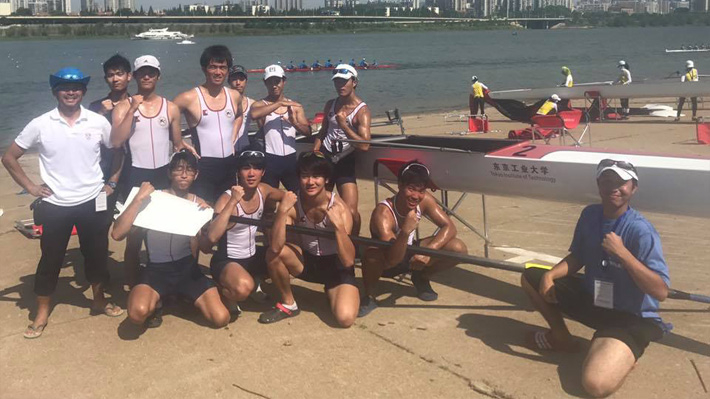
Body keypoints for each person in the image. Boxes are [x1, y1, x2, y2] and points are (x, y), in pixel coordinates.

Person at [520, 158, 671, 398]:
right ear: (598, 185)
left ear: (634, 188)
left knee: (594, 384)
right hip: (595, 299)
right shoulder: (590, 214)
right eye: (608, 181)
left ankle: (621, 357)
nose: (614, 187)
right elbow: (579, 256)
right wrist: (550, 275)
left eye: (622, 183)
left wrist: (623, 254)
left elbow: (661, 291)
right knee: (531, 277)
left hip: (629, 317)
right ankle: (561, 338)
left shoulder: (641, 231)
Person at [2, 67, 124, 339]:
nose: (71, 92)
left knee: (96, 254)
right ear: (55, 91)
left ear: (83, 91)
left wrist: (112, 182)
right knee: (51, 259)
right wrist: (32, 187)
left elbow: (118, 151)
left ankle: (99, 299)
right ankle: (42, 312)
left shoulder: (97, 121)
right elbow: (9, 157)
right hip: (55, 204)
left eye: (77, 87)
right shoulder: (40, 123)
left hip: (93, 199)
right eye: (65, 88)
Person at [112, 151, 230, 329]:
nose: (184, 174)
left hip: (186, 269)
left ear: (196, 175)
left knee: (220, 318)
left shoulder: (199, 204)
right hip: (157, 270)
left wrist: (205, 222)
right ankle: (159, 302)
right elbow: (117, 234)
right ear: (169, 173)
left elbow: (206, 247)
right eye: (178, 169)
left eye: (189, 170)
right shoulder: (153, 198)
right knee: (137, 314)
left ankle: (186, 295)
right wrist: (138, 199)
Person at [111, 55, 192, 288]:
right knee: (134, 237)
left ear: (158, 76)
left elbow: (177, 144)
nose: (146, 76)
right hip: (134, 176)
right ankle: (132, 284)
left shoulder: (171, 108)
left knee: (166, 231)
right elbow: (116, 142)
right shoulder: (123, 107)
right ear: (134, 76)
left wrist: (188, 151)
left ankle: (170, 280)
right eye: (142, 73)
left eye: (151, 72)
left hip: (163, 175)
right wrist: (133, 107)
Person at [258, 151, 359, 327]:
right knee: (274, 254)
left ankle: (335, 292)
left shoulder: (339, 208)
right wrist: (281, 211)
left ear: (327, 179)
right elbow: (274, 248)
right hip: (308, 262)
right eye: (305, 176)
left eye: (316, 176)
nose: (310, 182)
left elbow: (349, 260)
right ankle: (289, 303)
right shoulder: (292, 204)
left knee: (345, 319)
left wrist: (339, 228)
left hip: (336, 267)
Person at [359, 160, 468, 317]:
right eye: (411, 189)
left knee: (458, 248)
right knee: (371, 254)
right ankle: (369, 295)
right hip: (387, 260)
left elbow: (450, 227)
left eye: (421, 190)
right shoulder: (383, 213)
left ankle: (421, 276)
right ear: (400, 185)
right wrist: (405, 231)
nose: (416, 196)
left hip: (410, 252)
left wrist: (428, 252)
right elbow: (392, 259)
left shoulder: (424, 200)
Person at [201, 150, 285, 311]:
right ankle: (222, 290)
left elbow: (288, 197)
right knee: (242, 289)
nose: (252, 173)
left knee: (286, 260)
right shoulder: (226, 198)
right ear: (238, 172)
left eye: (257, 168)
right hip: (227, 260)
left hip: (252, 256)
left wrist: (280, 213)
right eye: (246, 168)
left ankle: (254, 280)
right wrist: (233, 201)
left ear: (263, 172)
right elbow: (211, 238)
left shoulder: (264, 190)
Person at [173, 45, 244, 204]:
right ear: (204, 69)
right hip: (203, 166)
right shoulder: (189, 97)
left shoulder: (234, 96)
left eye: (223, 68)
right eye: (213, 67)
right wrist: (179, 142)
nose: (218, 72)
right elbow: (164, 118)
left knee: (227, 213)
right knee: (203, 215)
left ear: (227, 71)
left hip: (229, 165)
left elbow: (239, 115)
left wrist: (233, 137)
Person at [313, 64, 371, 236]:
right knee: (322, 207)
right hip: (326, 159)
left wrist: (344, 126)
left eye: (344, 82)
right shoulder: (331, 104)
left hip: (345, 162)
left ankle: (354, 242)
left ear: (354, 82)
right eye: (337, 82)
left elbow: (365, 145)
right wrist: (315, 152)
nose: (340, 86)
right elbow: (323, 131)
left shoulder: (363, 111)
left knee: (351, 212)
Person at [249, 64, 311, 192]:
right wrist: (279, 103)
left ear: (284, 81)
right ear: (265, 83)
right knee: (270, 201)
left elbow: (308, 132)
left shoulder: (295, 106)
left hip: (291, 160)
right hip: (270, 160)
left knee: (298, 195)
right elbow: (254, 114)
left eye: (277, 81)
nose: (274, 85)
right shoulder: (260, 105)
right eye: (270, 82)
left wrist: (295, 123)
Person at [88, 54, 130, 200]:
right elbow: (86, 136)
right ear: (106, 79)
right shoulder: (95, 106)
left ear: (129, 76)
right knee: (103, 211)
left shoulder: (138, 105)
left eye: (120, 74)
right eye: (110, 75)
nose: (115, 79)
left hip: (133, 167)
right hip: (105, 168)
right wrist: (101, 113)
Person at [227, 65, 254, 153]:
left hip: (244, 150)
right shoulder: (221, 104)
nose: (238, 83)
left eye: (241, 79)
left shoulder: (252, 104)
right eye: (234, 79)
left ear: (246, 81)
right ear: (229, 81)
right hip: (226, 150)